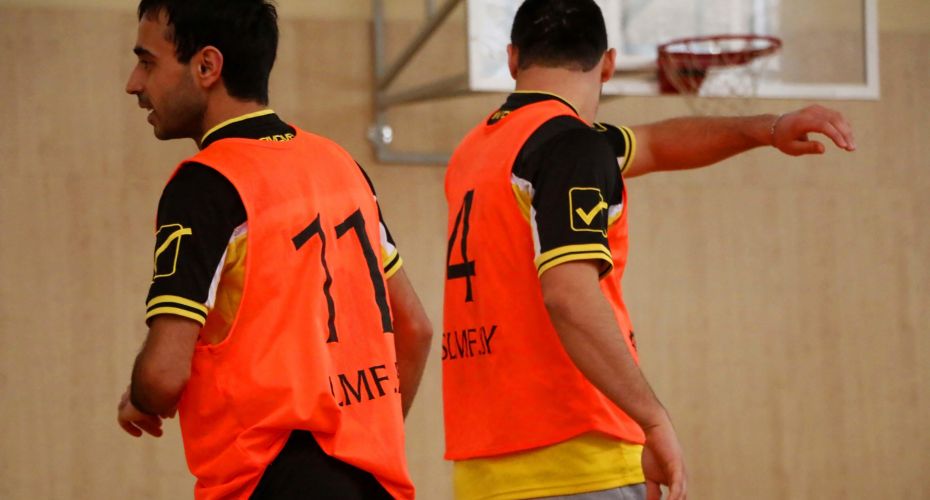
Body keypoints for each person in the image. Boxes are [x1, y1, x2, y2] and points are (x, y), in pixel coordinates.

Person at [441, 1, 856, 499]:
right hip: (579, 458)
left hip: (483, 471)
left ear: (512, 59)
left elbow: (656, 143)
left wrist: (767, 129)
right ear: (609, 64)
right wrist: (652, 418)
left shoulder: (480, 149)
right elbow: (569, 296)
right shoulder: (571, 147)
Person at [116, 1, 433, 498]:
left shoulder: (207, 184)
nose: (134, 83)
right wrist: (370, 437)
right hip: (374, 484)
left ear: (206, 66)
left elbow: (162, 374)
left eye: (147, 62)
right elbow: (414, 329)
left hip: (270, 483)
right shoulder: (339, 165)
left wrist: (141, 396)